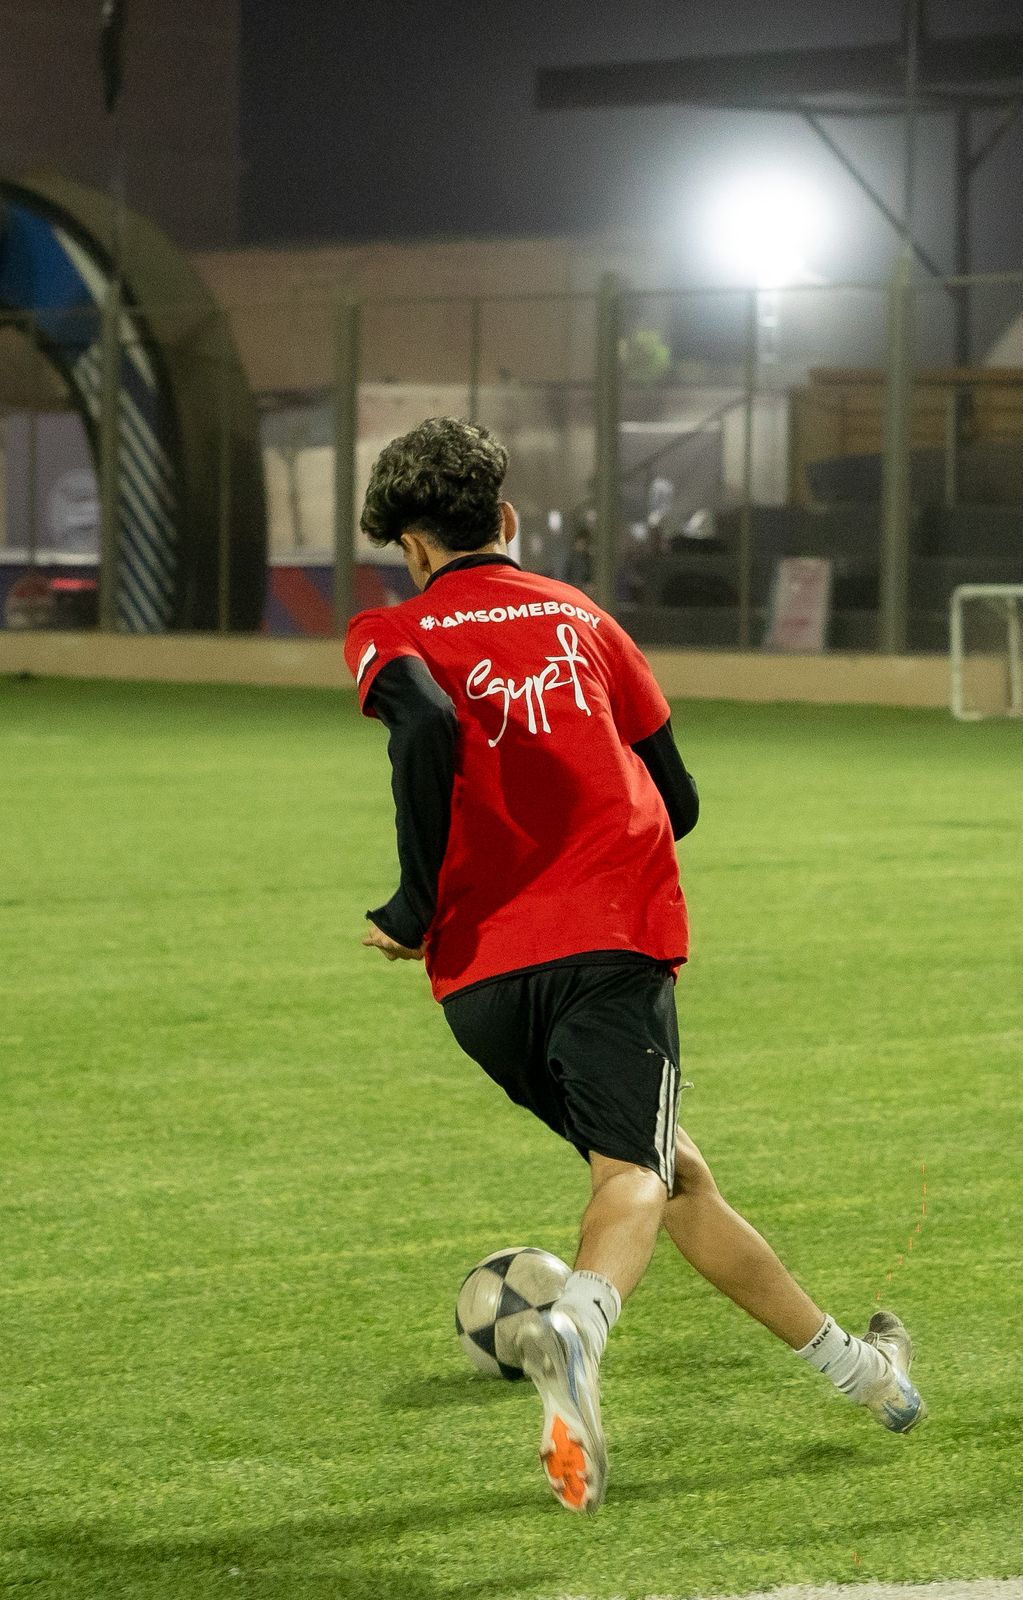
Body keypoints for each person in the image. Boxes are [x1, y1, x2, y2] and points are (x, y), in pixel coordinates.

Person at [345, 417, 926, 1515]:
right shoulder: (584, 619)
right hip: (608, 942)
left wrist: (420, 907)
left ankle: (865, 1376)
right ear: (506, 518)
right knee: (633, 1179)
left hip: (482, 982)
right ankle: (575, 1325)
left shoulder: (391, 629)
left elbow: (419, 719)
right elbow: (681, 797)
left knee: (673, 1174)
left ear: (413, 547)